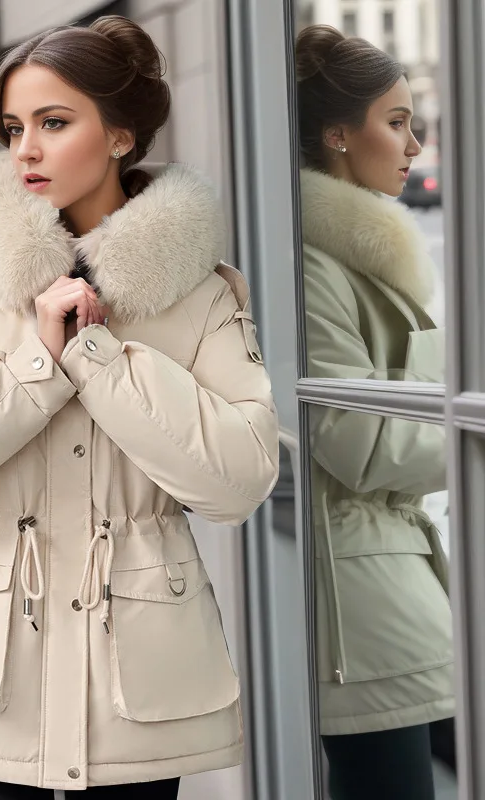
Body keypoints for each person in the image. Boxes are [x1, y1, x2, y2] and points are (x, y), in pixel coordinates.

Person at [0, 15, 279, 799]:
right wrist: (30, 366)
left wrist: (97, 353)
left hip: (139, 674)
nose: (26, 150)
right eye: (14, 127)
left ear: (121, 136)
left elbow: (239, 481)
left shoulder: (202, 295)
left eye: (54, 122)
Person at [296, 24, 455, 800]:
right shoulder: (314, 265)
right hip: (357, 597)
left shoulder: (350, 259)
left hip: (386, 576)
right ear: (336, 133)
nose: (414, 145)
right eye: (396, 121)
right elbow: (355, 442)